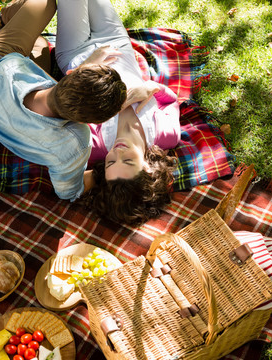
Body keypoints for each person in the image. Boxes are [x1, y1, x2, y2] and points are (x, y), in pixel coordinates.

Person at [0, 0, 127, 202]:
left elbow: (12, 62)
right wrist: (108, 175)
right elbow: (69, 192)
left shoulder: (10, 69)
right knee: (40, 45)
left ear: (70, 73)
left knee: (48, 2)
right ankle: (3, 21)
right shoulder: (75, 143)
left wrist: (87, 65)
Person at [54, 0, 182, 225]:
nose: (117, 153)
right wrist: (151, 88)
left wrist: (122, 102)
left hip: (78, 54)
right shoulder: (166, 135)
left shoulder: (96, 147)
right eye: (128, 161)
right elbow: (170, 100)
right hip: (117, 43)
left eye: (111, 163)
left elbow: (71, 102)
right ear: (148, 168)